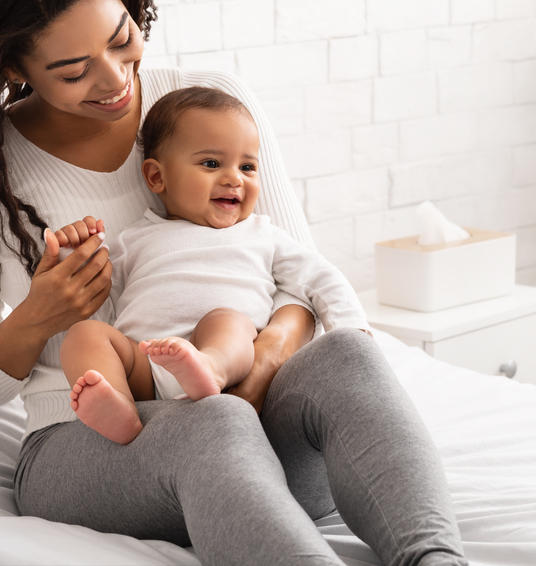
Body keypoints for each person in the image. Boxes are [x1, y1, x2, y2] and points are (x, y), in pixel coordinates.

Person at [0, 0, 467, 566]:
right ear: (14, 66)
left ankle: (436, 558)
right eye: (74, 70)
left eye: (123, 38)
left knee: (348, 360)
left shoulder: (207, 100)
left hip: (253, 418)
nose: (113, 79)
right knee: (213, 423)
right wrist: (37, 317)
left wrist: (263, 361)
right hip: (92, 449)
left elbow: (295, 278)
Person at [57, 87, 371, 445]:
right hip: (145, 365)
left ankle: (209, 367)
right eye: (211, 164)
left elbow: (320, 277)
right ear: (157, 177)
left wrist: (351, 330)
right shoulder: (134, 238)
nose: (234, 178)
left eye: (247, 166)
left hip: (233, 369)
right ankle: (118, 407)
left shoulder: (262, 234)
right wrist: (73, 255)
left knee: (228, 320)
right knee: (84, 335)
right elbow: (96, 295)